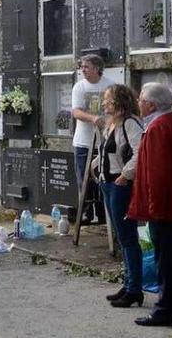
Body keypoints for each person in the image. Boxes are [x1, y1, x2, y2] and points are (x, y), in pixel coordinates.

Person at [127, 83, 172, 327]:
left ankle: (164, 311)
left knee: (165, 260)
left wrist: (154, 209)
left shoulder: (158, 127)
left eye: (141, 100)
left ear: (151, 104)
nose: (138, 103)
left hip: (167, 206)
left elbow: (157, 172)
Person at [95, 85, 144, 308]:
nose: (104, 104)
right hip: (108, 183)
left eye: (107, 100)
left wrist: (126, 175)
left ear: (118, 102)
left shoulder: (130, 123)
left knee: (127, 237)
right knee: (122, 236)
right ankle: (128, 284)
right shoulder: (111, 123)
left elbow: (140, 151)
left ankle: (135, 289)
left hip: (120, 185)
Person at [71, 54, 114, 223]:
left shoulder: (110, 85)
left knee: (106, 177)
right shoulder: (79, 87)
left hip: (106, 140)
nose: (83, 70)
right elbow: (76, 112)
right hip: (84, 141)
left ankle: (104, 215)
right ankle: (86, 212)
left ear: (97, 68)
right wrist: (93, 118)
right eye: (82, 67)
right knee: (84, 179)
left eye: (86, 67)